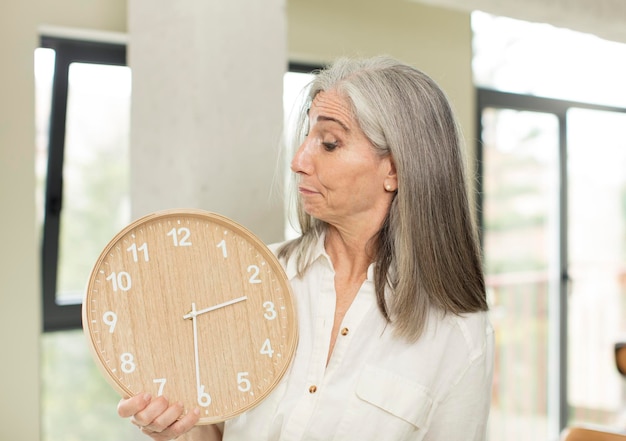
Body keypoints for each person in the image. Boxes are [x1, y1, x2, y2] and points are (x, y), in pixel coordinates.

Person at [118, 55, 494, 441]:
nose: (298, 161)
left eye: (329, 144)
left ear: (394, 171)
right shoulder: (252, 277)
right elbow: (214, 429)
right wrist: (173, 431)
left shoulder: (458, 330)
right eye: (307, 138)